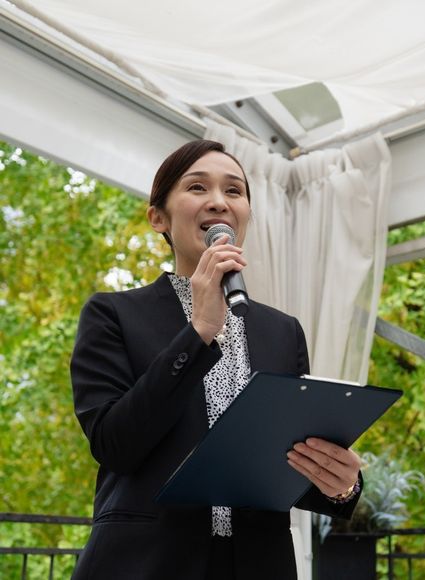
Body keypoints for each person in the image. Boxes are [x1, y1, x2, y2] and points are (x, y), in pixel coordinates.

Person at [70, 140, 362, 580]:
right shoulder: (112, 314)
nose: (219, 202)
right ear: (158, 218)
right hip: (145, 564)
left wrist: (341, 486)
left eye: (234, 191)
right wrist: (199, 332)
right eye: (197, 187)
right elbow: (115, 445)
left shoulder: (282, 330)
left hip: (259, 564)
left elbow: (286, 462)